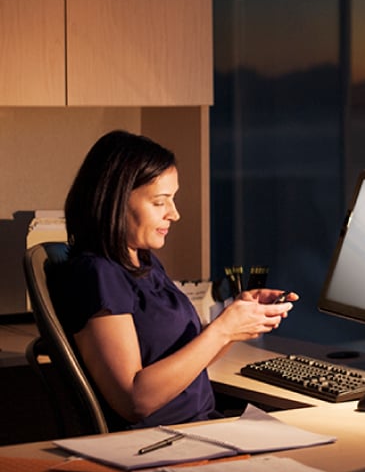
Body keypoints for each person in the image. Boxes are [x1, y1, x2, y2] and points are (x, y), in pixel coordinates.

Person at [49, 130, 297, 430]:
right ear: (116, 200)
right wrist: (221, 330)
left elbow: (188, 363)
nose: (175, 214)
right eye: (160, 202)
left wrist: (237, 323)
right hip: (161, 444)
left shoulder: (143, 263)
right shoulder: (98, 275)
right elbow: (134, 401)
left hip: (199, 429)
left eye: (173, 199)